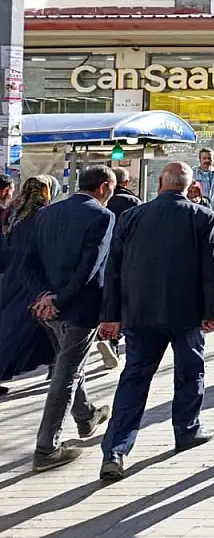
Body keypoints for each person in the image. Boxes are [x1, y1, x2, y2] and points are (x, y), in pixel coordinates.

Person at [98, 162, 214, 482]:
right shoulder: (202, 216)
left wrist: (110, 315)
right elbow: (211, 268)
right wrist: (212, 311)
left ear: (160, 184)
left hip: (140, 313)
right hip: (186, 314)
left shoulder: (131, 216)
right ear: (189, 186)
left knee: (134, 379)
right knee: (189, 372)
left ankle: (115, 450)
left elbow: (113, 269)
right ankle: (187, 430)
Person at [24, 165, 116, 472]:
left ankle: (86, 415)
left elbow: (28, 262)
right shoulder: (102, 216)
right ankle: (47, 447)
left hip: (47, 309)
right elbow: (90, 268)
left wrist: (43, 297)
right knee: (66, 375)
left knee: (68, 365)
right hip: (78, 309)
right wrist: (59, 299)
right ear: (103, 187)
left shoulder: (46, 213)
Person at [0, 176, 58, 395]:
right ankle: (56, 367)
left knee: (12, 324)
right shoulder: (45, 215)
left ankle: (53, 366)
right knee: (22, 327)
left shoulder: (12, 213)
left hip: (12, 276)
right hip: (33, 277)